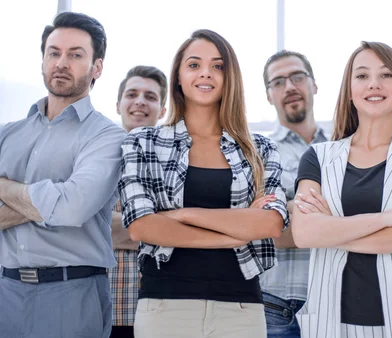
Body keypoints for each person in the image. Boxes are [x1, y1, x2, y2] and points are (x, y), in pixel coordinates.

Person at [118, 29, 288, 338]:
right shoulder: (145, 142)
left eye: (218, 66)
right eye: (194, 65)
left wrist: (181, 215)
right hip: (164, 308)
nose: (206, 73)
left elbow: (270, 224)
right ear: (179, 78)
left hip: (241, 311)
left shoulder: (261, 149)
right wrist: (234, 234)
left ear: (230, 77)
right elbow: (141, 227)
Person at [293, 41, 392, 338]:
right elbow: (304, 233)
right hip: (331, 321)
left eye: (386, 75)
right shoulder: (318, 158)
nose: (374, 84)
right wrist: (388, 218)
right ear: (349, 91)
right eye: (362, 76)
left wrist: (331, 231)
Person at [0, 12, 125, 338]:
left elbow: (72, 208)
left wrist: (3, 186)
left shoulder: (107, 137)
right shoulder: (7, 134)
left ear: (97, 67)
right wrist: (50, 196)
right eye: (54, 52)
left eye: (75, 54)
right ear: (43, 60)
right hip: (6, 292)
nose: (61, 62)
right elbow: (62, 204)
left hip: (72, 293)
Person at [260, 50, 328, 338]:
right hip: (275, 306)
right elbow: (266, 228)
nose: (289, 87)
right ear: (268, 95)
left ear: (314, 85)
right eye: (278, 82)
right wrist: (336, 218)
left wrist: (292, 208)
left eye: (297, 77)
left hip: (335, 301)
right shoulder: (257, 150)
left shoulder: (345, 148)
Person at [109, 65, 168, 338]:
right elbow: (82, 224)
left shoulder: (175, 165)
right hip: (104, 308)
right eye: (132, 94)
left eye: (150, 96)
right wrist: (156, 226)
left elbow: (184, 237)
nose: (140, 101)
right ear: (119, 104)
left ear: (163, 110)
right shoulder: (95, 158)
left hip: (161, 310)